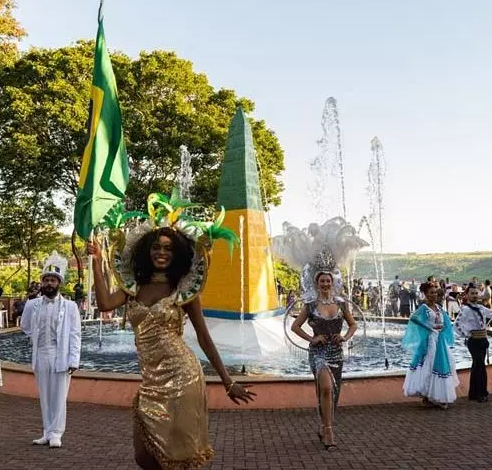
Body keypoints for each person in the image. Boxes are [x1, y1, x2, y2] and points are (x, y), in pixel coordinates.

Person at [89, 199, 256, 469]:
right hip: (151, 380)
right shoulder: (134, 286)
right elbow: (105, 304)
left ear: (176, 253)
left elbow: (204, 337)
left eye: (168, 248)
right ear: (147, 250)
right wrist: (97, 263)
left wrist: (227, 381)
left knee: (177, 457)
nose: (161, 252)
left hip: (183, 376)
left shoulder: (184, 289)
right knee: (143, 456)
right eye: (156, 247)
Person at [290, 271, 357, 450]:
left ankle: (324, 424)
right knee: (326, 388)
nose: (325, 284)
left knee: (333, 392)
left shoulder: (341, 304)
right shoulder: (311, 305)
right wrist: (312, 339)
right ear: (317, 283)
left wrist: (344, 337)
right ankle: (328, 430)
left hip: (336, 353)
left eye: (328, 281)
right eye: (322, 281)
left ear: (332, 283)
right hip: (318, 353)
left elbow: (353, 324)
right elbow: (295, 326)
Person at [21, 252, 81, 449]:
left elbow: (75, 334)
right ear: (42, 282)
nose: (49, 283)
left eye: (53, 280)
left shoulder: (70, 307)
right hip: (41, 354)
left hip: (59, 353)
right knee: (45, 396)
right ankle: (47, 431)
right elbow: (25, 326)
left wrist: (74, 359)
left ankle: (56, 433)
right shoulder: (32, 305)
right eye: (46, 280)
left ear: (59, 283)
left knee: (59, 396)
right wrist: (36, 337)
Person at [401, 281, 459, 409]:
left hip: (440, 340)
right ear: (426, 294)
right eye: (431, 293)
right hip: (430, 340)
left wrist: (443, 327)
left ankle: (438, 395)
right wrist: (427, 327)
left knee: (443, 364)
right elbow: (413, 318)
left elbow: (445, 320)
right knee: (429, 364)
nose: (434, 295)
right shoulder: (424, 308)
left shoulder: (438, 307)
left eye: (435, 293)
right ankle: (428, 395)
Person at [454, 284, 492, 402]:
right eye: (472, 293)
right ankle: (481, 393)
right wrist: (467, 334)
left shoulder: (481, 308)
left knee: (476, 365)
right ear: (467, 295)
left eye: (476, 293)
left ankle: (473, 393)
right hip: (474, 341)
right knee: (480, 366)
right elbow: (457, 325)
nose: (474, 295)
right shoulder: (465, 309)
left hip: (483, 340)